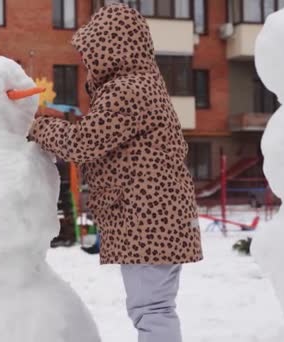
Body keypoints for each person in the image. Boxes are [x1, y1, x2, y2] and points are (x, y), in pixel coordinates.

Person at [29, 4, 203, 342]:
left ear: (111, 49)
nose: (87, 62)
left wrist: (37, 127)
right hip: (155, 218)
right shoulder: (144, 83)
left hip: (148, 220)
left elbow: (85, 141)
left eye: (92, 52)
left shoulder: (128, 89)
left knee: (151, 310)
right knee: (155, 307)